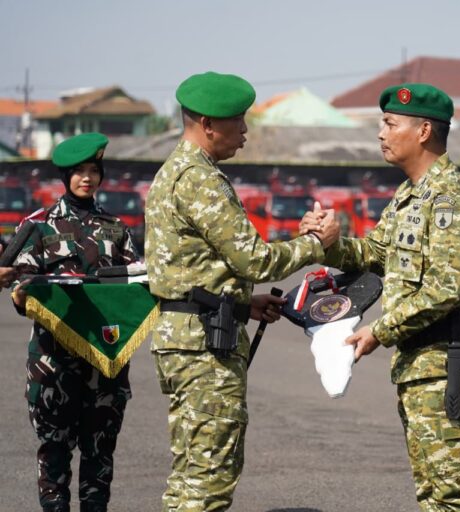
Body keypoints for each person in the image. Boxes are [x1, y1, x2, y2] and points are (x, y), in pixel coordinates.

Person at [143, 71, 339, 512]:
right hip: (202, 347)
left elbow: (193, 269)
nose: (246, 131)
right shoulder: (198, 178)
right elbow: (254, 260)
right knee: (208, 481)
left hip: (193, 333)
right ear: (209, 123)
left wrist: (242, 304)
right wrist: (314, 244)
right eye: (238, 121)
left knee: (193, 471)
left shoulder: (178, 171)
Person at [306, 83, 460, 511]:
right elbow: (376, 254)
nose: (380, 133)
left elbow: (444, 290)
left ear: (423, 132)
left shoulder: (453, 201)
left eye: (390, 124)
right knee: (434, 494)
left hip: (454, 363)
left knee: (457, 496)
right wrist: (333, 241)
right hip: (421, 365)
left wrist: (379, 330)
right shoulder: (408, 198)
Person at [10, 132, 139, 512]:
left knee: (100, 451)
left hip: (106, 356)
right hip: (54, 359)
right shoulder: (38, 226)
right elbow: (20, 287)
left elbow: (135, 284)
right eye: (79, 171)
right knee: (54, 448)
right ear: (65, 177)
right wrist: (25, 291)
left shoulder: (116, 228)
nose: (87, 178)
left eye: (94, 171)